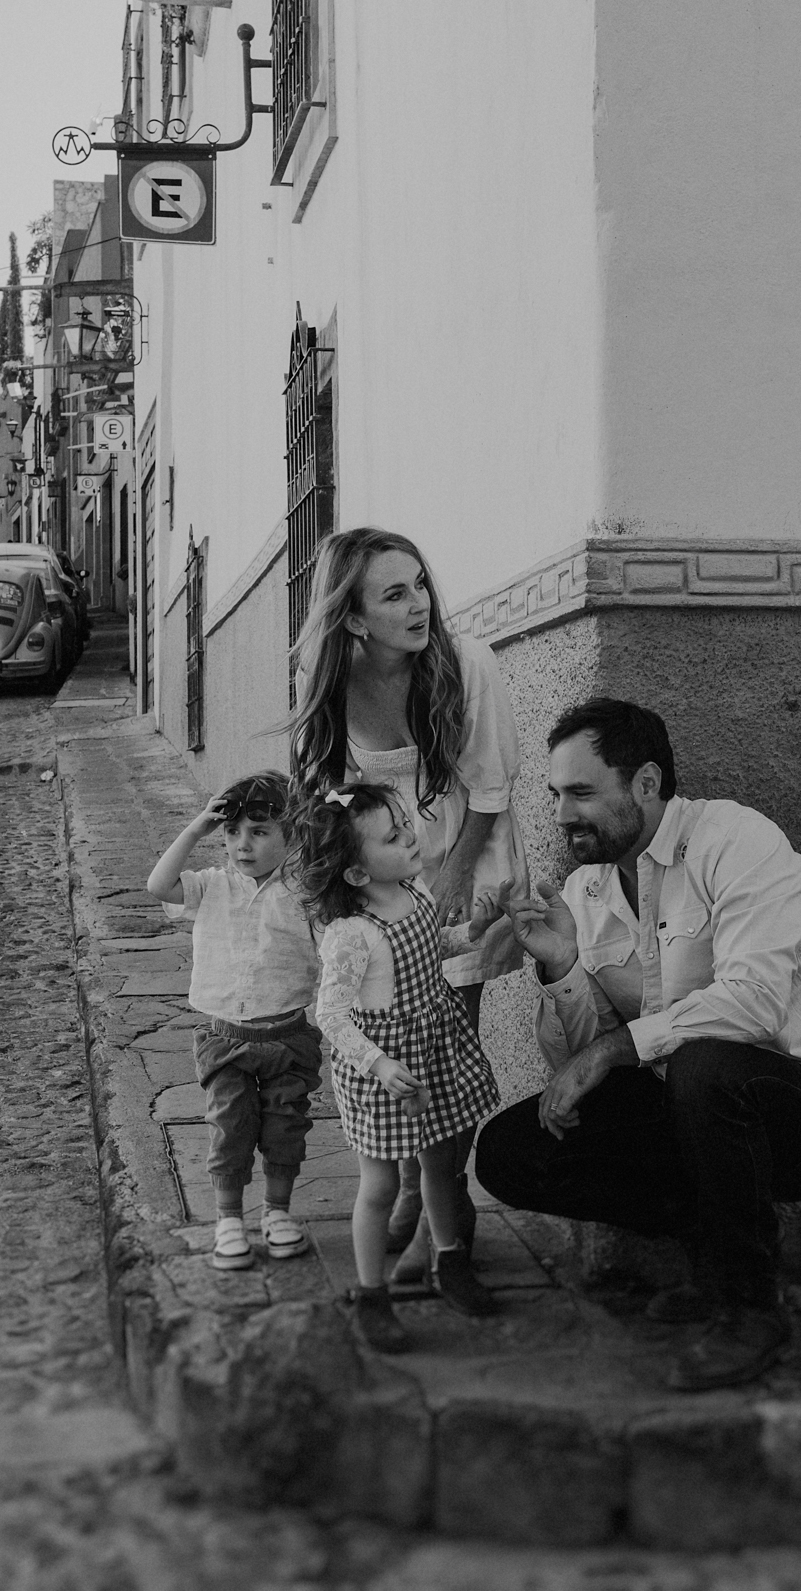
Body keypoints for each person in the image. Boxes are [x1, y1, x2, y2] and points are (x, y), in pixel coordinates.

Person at [475, 698, 801, 1392]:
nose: (563, 813)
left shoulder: (736, 841)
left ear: (647, 784)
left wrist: (610, 1051)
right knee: (512, 1151)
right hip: (690, 1114)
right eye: (555, 794)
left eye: (580, 793)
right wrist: (563, 968)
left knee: (703, 1064)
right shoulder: (586, 888)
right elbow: (580, 1063)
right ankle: (717, 1251)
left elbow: (753, 1002)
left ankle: (751, 1311)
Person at [290, 527, 528, 1276]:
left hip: (464, 855)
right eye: (395, 593)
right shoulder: (324, 675)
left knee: (444, 1047)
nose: (419, 604)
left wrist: (452, 882)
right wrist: (330, 900)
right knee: (383, 1040)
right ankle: (403, 1196)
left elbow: (489, 786)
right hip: (378, 874)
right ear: (354, 617)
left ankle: (439, 1215)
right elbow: (320, 792)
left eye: (419, 583)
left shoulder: (467, 665)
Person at [291, 782, 503, 1353]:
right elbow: (329, 1014)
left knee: (440, 1163)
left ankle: (449, 1259)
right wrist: (380, 1064)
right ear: (357, 875)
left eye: (404, 822)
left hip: (433, 1047)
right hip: (379, 1068)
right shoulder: (351, 935)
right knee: (381, 1184)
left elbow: (431, 948)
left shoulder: (416, 891)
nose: (411, 835)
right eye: (393, 835)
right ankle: (370, 1294)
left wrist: (473, 933)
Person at [146, 771, 321, 1273]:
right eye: (232, 833)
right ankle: (228, 1220)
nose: (242, 845)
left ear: (291, 836)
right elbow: (158, 884)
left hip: (288, 1036)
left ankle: (277, 1212)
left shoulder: (304, 894)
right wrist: (196, 829)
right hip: (225, 1039)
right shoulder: (208, 886)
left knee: (286, 1127)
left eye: (260, 832)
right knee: (230, 1127)